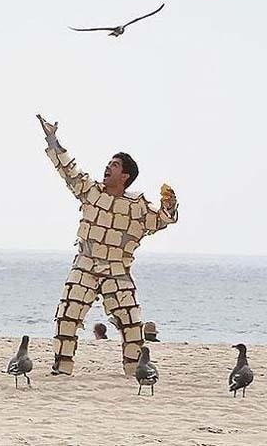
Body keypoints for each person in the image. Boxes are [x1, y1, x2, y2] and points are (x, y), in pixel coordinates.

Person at [37, 114, 178, 377]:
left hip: (117, 269)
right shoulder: (91, 192)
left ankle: (135, 370)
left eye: (114, 165)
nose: (107, 168)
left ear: (125, 175)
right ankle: (62, 367)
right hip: (85, 265)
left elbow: (162, 220)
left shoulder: (137, 207)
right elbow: (68, 171)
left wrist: (169, 204)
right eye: (108, 163)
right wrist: (52, 139)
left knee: (132, 323)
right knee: (67, 317)